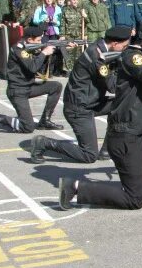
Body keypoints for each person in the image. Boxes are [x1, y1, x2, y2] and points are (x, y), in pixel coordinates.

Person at [58, 16, 142, 210]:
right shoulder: (132, 56)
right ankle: (76, 188)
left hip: (140, 129)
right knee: (134, 199)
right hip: (126, 136)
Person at [29, 26, 132, 164]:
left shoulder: (101, 49)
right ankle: (44, 143)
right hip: (79, 109)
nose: (125, 50)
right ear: (115, 44)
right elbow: (113, 86)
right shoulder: (97, 57)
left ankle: (107, 149)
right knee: (89, 155)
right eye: (124, 47)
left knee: (122, 104)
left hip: (91, 102)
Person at [0, 24, 64, 134]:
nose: (40, 42)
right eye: (38, 40)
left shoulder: (29, 47)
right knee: (27, 127)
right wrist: (44, 52)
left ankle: (45, 121)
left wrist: (58, 48)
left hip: (28, 86)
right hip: (17, 91)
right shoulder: (19, 49)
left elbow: (40, 66)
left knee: (56, 86)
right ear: (29, 39)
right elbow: (32, 68)